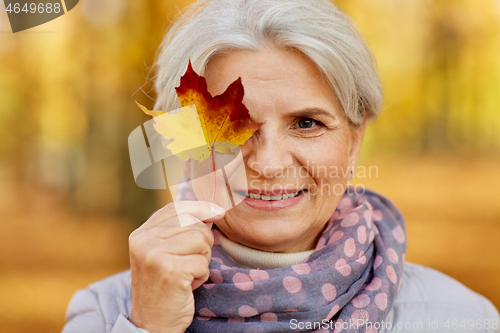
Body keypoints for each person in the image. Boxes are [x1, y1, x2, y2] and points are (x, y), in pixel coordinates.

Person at [62, 0, 500, 332]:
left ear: (354, 139)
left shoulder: (460, 318)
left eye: (307, 123)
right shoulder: (106, 314)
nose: (268, 164)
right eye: (231, 129)